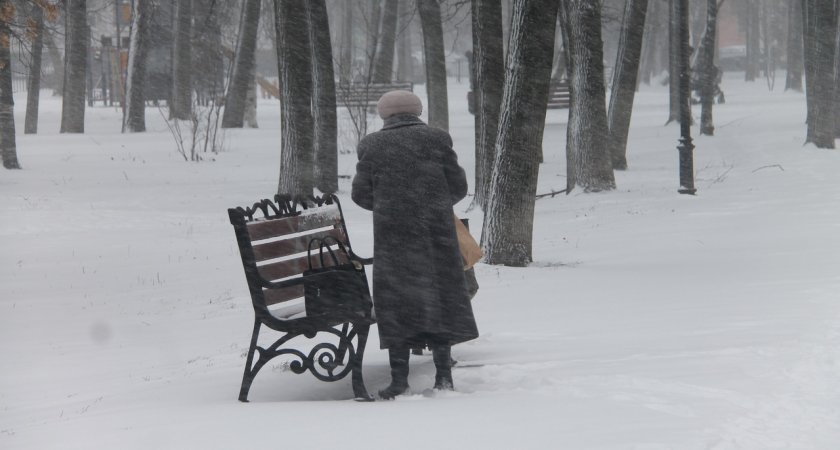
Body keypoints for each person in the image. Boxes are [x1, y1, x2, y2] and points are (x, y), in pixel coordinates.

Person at [351, 90, 479, 399]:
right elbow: (458, 186)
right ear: (417, 110)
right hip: (436, 238)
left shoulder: (371, 145)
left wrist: (391, 207)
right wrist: (430, 206)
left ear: (384, 115)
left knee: (397, 304)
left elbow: (360, 195)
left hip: (393, 240)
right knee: (441, 300)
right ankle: (444, 377)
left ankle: (398, 380)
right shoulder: (437, 139)